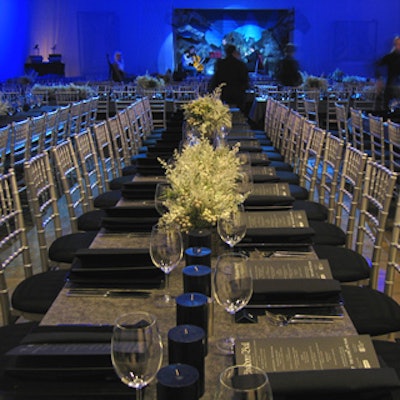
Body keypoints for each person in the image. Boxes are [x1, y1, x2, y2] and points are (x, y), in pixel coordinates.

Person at [210, 44, 249, 110]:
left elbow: (216, 79)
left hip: (224, 93)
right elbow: (245, 80)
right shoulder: (241, 65)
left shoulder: (220, 64)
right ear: (234, 52)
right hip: (238, 93)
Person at [376, 35, 400, 111]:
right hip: (390, 88)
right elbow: (377, 65)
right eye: (397, 44)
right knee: (388, 110)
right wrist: (379, 79)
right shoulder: (390, 57)